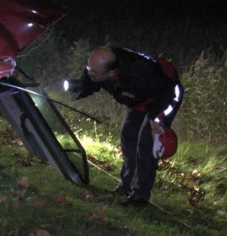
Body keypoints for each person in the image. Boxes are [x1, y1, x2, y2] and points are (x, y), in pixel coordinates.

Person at [68, 46, 183, 206]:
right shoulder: (97, 69)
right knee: (128, 137)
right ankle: (126, 186)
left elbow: (167, 95)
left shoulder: (139, 72)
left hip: (164, 97)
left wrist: (155, 119)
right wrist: (80, 91)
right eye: (89, 68)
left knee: (145, 143)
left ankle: (139, 196)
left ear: (111, 73)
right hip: (137, 100)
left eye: (94, 72)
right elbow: (90, 82)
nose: (90, 73)